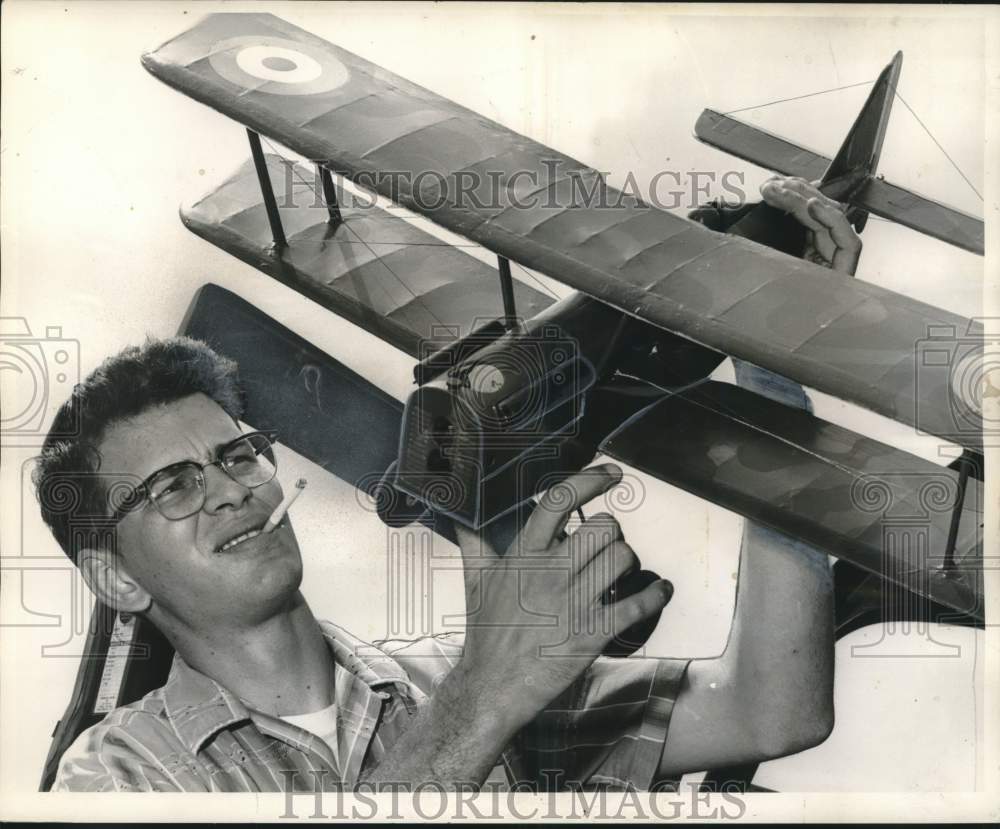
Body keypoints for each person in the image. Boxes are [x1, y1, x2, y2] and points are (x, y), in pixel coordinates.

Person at [38, 176, 858, 792]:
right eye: (174, 485)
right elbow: (485, 693)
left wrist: (770, 359)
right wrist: (483, 700)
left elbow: (773, 708)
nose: (229, 489)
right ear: (113, 573)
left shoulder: (461, 673)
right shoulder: (113, 775)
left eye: (239, 453)